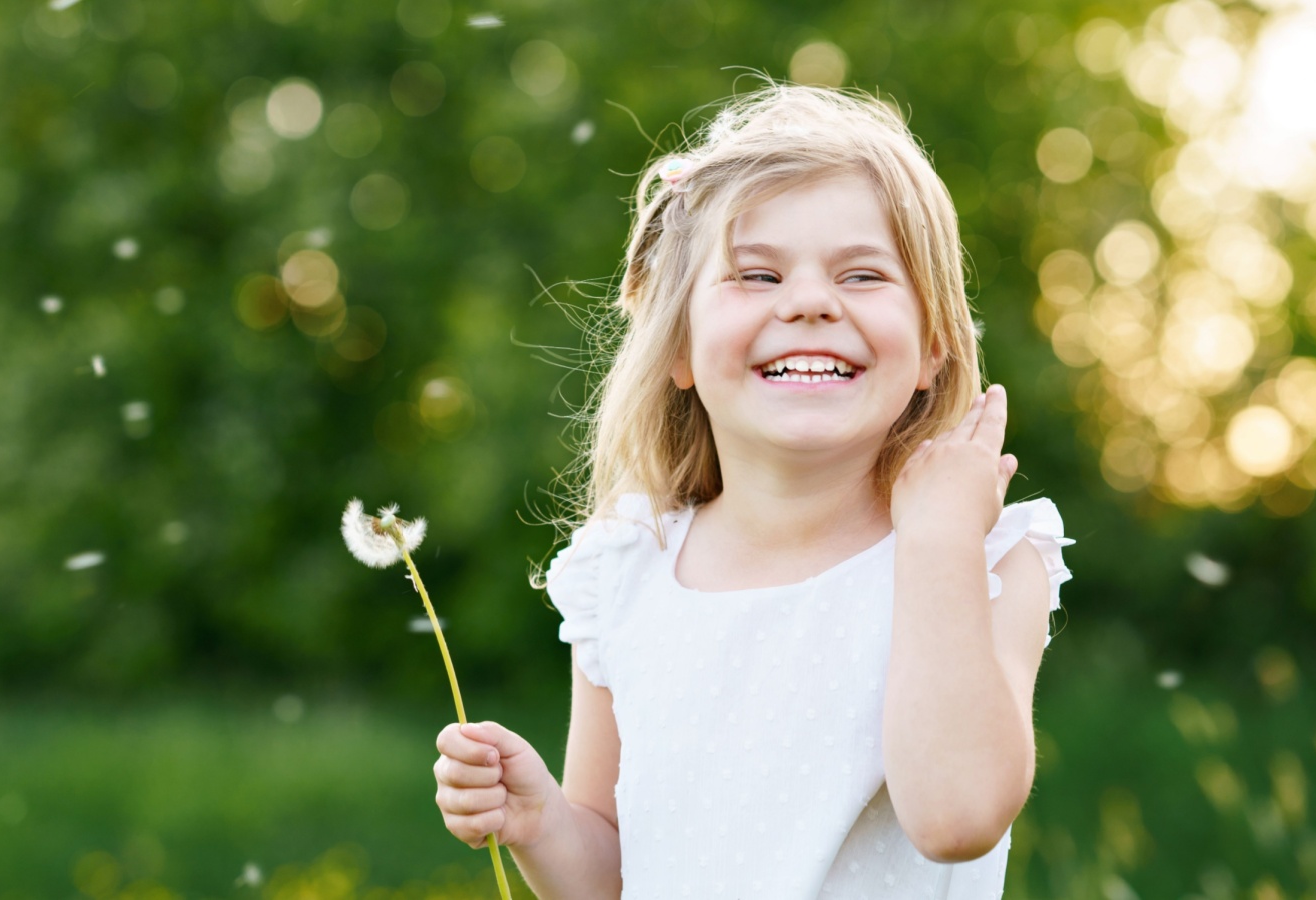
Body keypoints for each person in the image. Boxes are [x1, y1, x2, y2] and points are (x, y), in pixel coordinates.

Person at [431, 82, 1074, 897]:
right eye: (757, 276)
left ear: (934, 345)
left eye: (864, 274)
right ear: (681, 348)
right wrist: (542, 825)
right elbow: (614, 874)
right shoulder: (628, 571)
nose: (809, 303)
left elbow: (955, 817)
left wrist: (939, 536)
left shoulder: (983, 559)